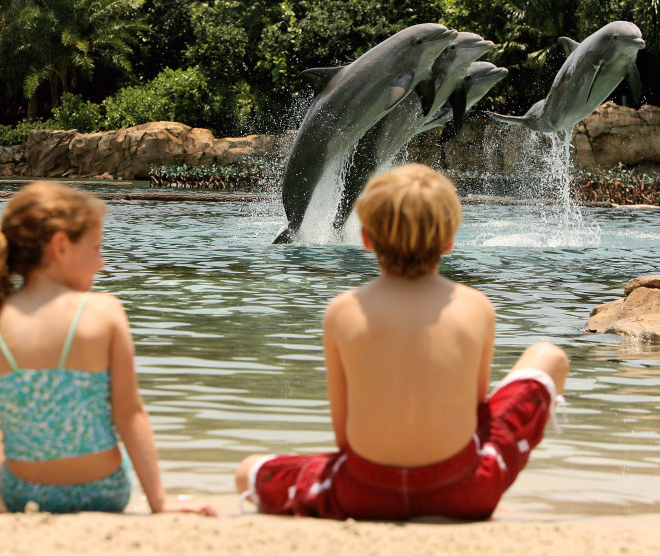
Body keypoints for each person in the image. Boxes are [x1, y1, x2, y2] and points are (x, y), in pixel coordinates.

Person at [235, 163, 569, 520]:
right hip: (468, 490)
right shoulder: (476, 307)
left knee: (249, 471)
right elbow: (477, 418)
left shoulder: (342, 311)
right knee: (548, 355)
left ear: (365, 238)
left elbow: (343, 436)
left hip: (362, 493)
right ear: (450, 239)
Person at [0, 182, 215, 516]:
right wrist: (160, 503)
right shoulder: (105, 311)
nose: (101, 263)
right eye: (96, 248)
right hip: (106, 491)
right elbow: (129, 413)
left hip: (22, 493)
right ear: (60, 246)